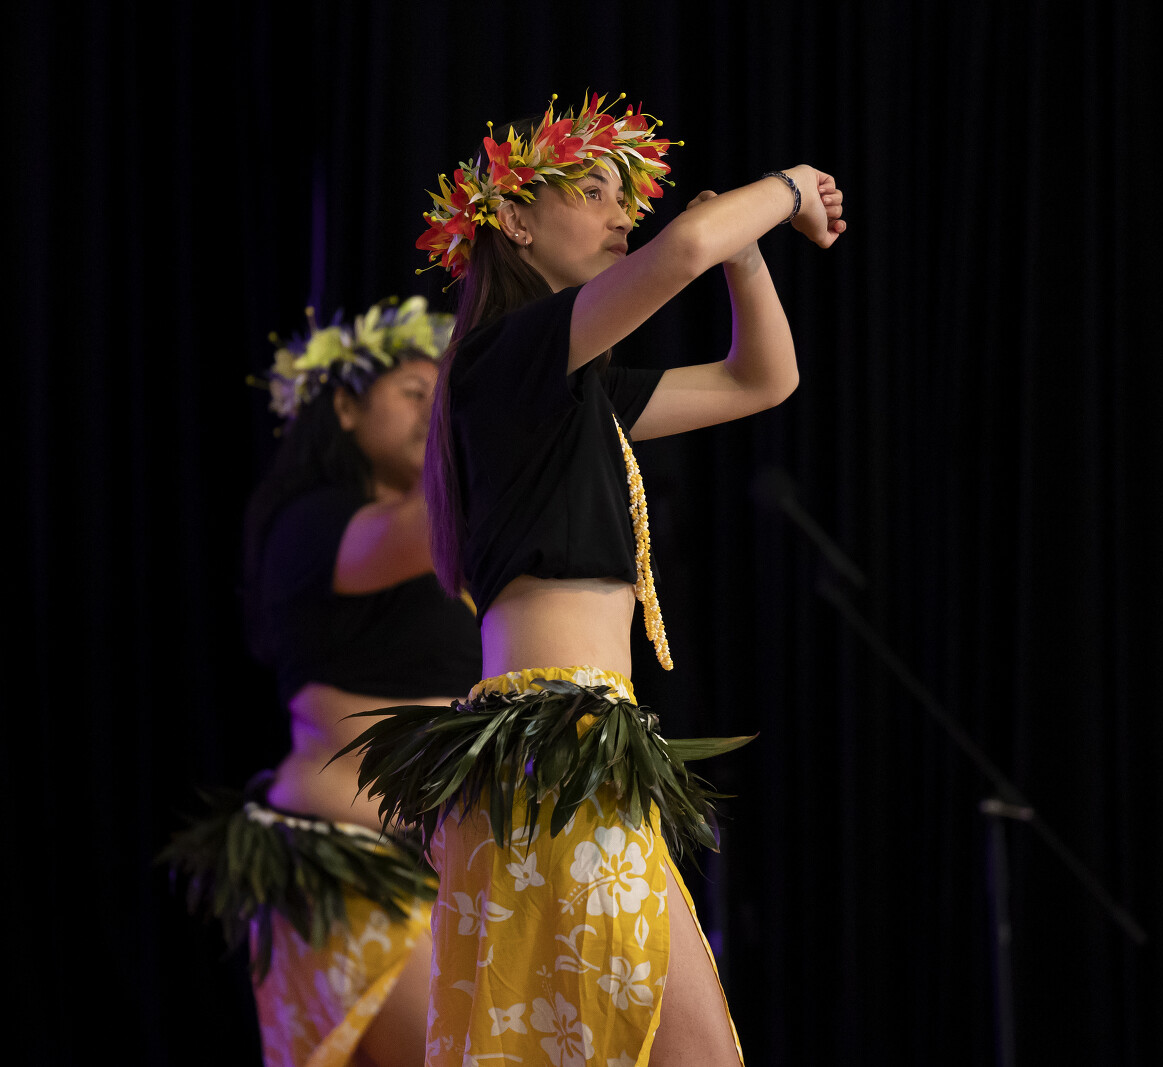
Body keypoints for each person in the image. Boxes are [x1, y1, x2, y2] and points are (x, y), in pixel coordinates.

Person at [339, 94, 844, 1066]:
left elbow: (761, 379)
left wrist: (745, 252)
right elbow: (683, 248)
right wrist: (786, 190)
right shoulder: (507, 358)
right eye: (596, 192)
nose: (624, 216)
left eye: (627, 198)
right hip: (553, 745)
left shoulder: (576, 394)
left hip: (571, 749)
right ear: (515, 219)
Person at [162, 297, 483, 1067]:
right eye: (415, 392)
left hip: (432, 865)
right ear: (344, 406)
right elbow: (424, 526)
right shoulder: (315, 522)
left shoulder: (443, 546)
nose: (434, 412)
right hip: (343, 865)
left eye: (443, 397)